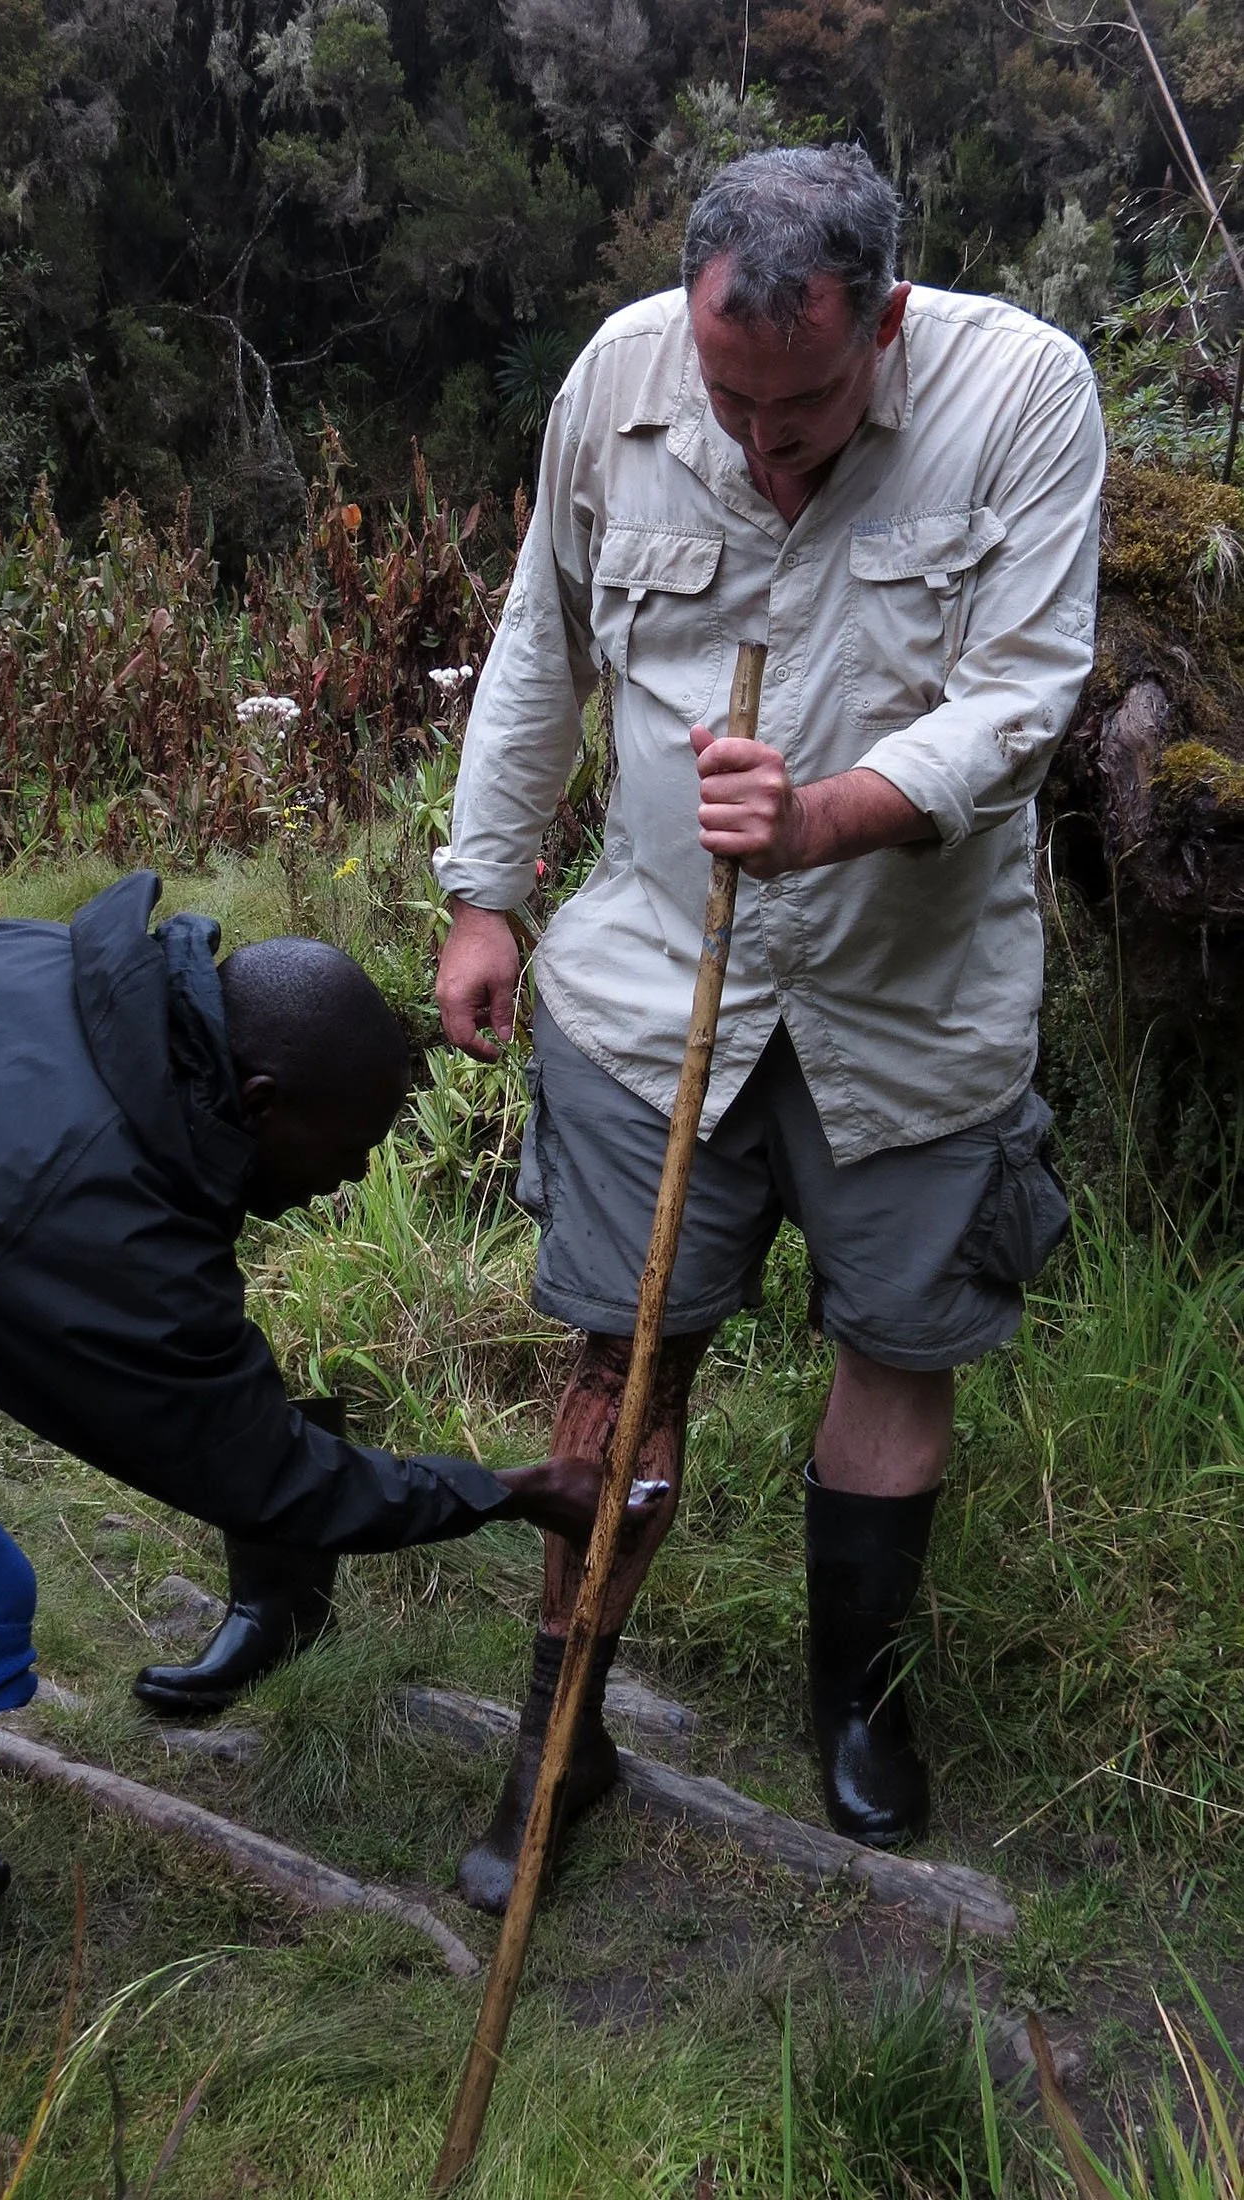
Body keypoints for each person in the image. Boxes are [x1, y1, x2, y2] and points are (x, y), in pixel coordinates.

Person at [432, 142, 1105, 1911]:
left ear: (883, 320)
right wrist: (484, 886)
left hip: (912, 999)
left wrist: (827, 818)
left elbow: (1027, 695)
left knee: (893, 1344)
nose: (754, 443)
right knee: (620, 1354)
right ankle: (553, 1744)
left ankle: (855, 1708)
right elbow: (540, 632)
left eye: (798, 406)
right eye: (727, 398)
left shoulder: (1020, 392)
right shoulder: (619, 383)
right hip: (654, 982)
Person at [0, 871, 659, 1949]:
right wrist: (519, 1489)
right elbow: (270, 1473)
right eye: (348, 1147)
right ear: (259, 1099)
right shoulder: (104, 1222)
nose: (349, 1179)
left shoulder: (64, 982)